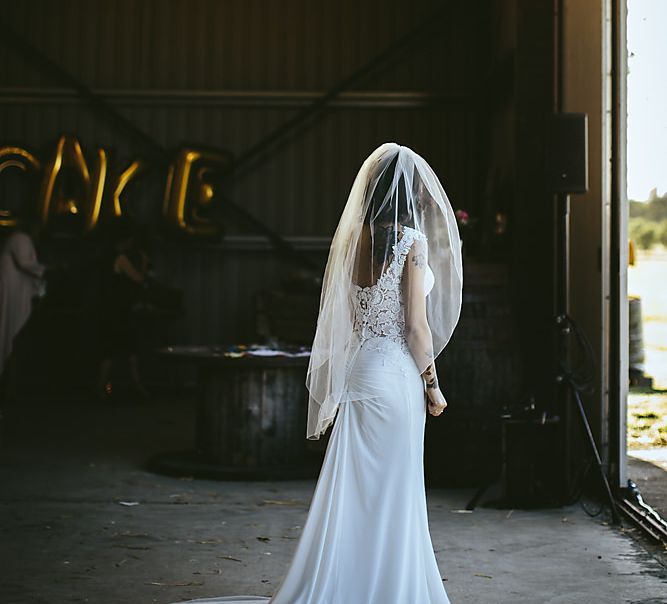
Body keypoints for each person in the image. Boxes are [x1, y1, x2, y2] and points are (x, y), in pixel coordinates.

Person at [171, 142, 463, 604]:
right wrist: (433, 383)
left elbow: (345, 320)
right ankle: (389, 589)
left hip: (362, 373)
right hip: (396, 378)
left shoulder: (352, 241)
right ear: (406, 193)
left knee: (355, 490)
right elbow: (415, 327)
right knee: (395, 490)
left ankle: (345, 585)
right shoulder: (412, 242)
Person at [96, 217, 151, 402]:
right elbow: (138, 279)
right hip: (118, 311)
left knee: (111, 351)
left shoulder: (105, 256)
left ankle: (104, 388)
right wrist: (143, 263)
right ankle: (132, 387)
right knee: (126, 349)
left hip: (108, 309)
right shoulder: (120, 258)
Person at [0, 222, 46, 408]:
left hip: (13, 289)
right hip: (15, 291)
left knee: (9, 332)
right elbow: (25, 262)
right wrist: (44, 270)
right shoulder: (22, 239)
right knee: (12, 333)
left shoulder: (14, 240)